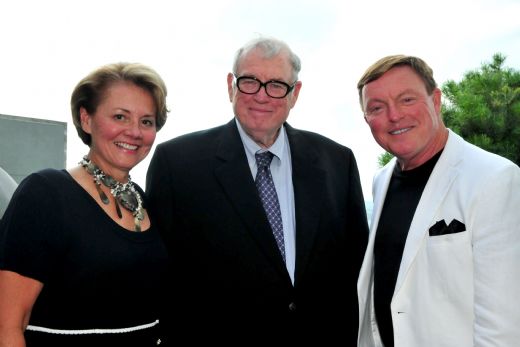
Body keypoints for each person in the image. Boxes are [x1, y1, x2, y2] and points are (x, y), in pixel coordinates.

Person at [146, 36, 369, 344]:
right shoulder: (178, 163)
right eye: (250, 81)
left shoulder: (336, 162)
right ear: (230, 86)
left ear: (295, 94)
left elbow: (355, 268)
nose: (262, 96)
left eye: (277, 85)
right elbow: (160, 276)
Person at [0, 62, 169, 346]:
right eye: (120, 116)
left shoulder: (143, 199)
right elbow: (8, 325)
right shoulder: (45, 194)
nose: (134, 132)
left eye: (146, 121)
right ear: (86, 119)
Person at [356, 55, 520, 347]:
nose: (394, 116)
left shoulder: (494, 178)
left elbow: (503, 326)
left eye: (407, 99)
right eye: (377, 107)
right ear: (367, 119)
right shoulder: (381, 180)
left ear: (436, 100)